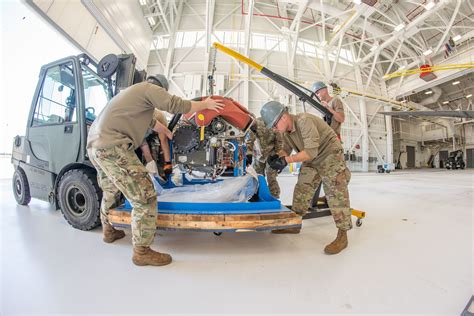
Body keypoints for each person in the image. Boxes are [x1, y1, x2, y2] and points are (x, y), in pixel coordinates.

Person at [87, 74, 224, 266]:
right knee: (145, 197)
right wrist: (205, 104)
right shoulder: (147, 89)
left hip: (95, 147)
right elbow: (176, 105)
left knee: (110, 189)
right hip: (113, 147)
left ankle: (108, 230)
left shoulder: (132, 97)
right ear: (160, 88)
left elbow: (153, 123)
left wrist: (168, 133)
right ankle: (142, 251)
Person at [261, 101, 352, 255]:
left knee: (335, 191)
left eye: (275, 125)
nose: (274, 129)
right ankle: (295, 224)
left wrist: (287, 161)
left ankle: (343, 234)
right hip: (313, 158)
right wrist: (277, 156)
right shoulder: (287, 131)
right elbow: (287, 150)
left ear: (283, 117)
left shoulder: (304, 121)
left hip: (330, 154)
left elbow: (310, 152)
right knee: (302, 188)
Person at [247, 117, 283, 198]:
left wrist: (278, 156)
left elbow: (279, 141)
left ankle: (274, 196)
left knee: (271, 176)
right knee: (258, 176)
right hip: (258, 155)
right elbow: (249, 141)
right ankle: (257, 194)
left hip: (271, 155)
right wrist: (248, 154)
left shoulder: (272, 124)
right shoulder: (253, 125)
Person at [141, 109, 173, 178]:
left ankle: (162, 174)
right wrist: (150, 162)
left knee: (159, 148)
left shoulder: (159, 116)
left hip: (156, 128)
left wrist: (168, 163)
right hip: (136, 138)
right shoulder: (137, 121)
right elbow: (143, 144)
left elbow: (163, 140)